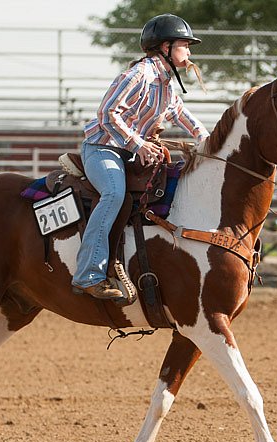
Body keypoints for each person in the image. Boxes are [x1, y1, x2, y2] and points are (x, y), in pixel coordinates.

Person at [72, 13, 210, 300]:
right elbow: (108, 113)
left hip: (130, 153)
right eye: (185, 44)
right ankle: (88, 274)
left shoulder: (168, 84)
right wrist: (137, 144)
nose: (189, 51)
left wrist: (206, 140)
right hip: (102, 148)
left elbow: (181, 114)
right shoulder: (138, 75)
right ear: (165, 47)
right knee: (114, 193)